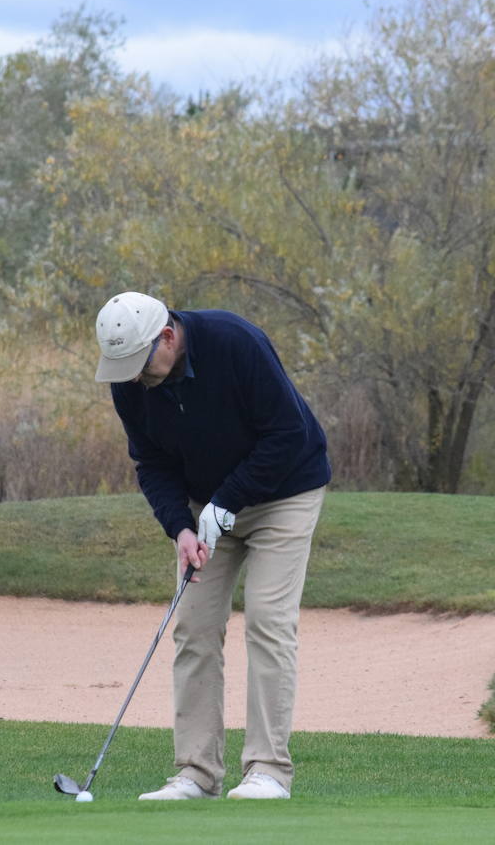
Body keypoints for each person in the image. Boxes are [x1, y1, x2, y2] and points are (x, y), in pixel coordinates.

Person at [94, 290, 330, 801]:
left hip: (285, 493)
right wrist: (180, 527)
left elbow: (287, 433)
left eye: (140, 362)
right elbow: (152, 464)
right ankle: (197, 774)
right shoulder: (130, 382)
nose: (135, 376)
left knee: (268, 620)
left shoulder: (235, 342)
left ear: (168, 336)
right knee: (194, 628)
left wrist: (227, 502)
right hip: (206, 509)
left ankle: (268, 770)